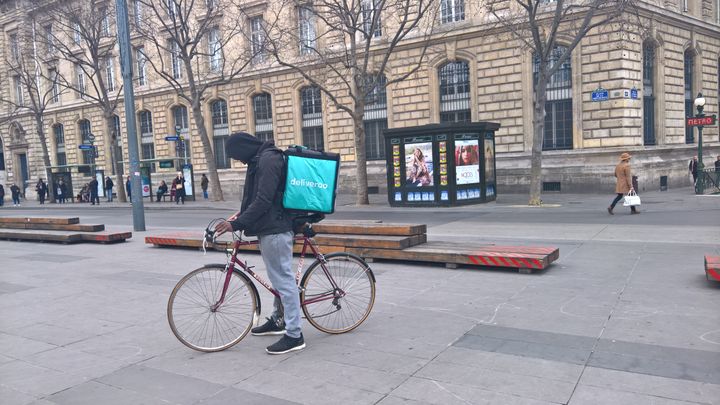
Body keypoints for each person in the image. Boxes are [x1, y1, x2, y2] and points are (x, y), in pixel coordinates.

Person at [213, 132, 303, 355]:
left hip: (276, 229)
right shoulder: (261, 159)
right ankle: (278, 319)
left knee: (283, 280)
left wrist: (237, 224)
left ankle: (294, 335)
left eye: (238, 157)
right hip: (270, 227)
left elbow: (263, 200)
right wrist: (238, 217)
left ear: (244, 148)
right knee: (279, 278)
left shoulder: (268, 160)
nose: (240, 161)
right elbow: (258, 199)